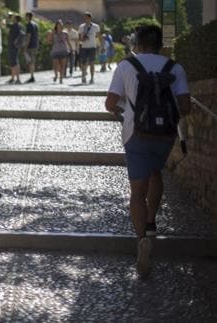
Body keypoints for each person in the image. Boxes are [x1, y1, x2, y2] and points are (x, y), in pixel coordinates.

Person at [105, 25, 191, 278]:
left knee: (136, 192)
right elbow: (185, 106)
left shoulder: (125, 66)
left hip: (135, 133)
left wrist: (128, 109)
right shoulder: (175, 68)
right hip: (165, 135)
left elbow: (110, 103)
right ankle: (152, 222)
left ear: (137, 43)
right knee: (156, 172)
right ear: (159, 44)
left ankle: (142, 238)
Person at [78, 12, 100, 84]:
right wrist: (82, 39)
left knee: (92, 63)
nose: (85, 19)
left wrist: (98, 45)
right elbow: (79, 38)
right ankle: (83, 76)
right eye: (84, 17)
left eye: (86, 17)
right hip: (84, 47)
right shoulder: (81, 27)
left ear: (90, 18)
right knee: (83, 63)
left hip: (92, 46)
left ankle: (92, 78)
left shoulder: (96, 26)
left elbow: (97, 36)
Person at [48, 19, 72, 84]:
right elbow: (49, 42)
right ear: (56, 25)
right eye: (58, 24)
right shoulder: (53, 33)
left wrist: (71, 49)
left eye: (61, 24)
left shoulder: (65, 33)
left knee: (62, 65)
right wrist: (49, 36)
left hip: (64, 50)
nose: (59, 26)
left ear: (62, 26)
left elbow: (68, 42)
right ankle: (56, 75)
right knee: (55, 66)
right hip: (55, 51)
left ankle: (61, 78)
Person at [7, 14, 23, 84]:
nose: (12, 19)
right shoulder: (19, 26)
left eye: (13, 18)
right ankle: (13, 78)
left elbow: (6, 24)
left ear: (16, 19)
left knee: (15, 62)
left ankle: (18, 79)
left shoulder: (14, 26)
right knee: (13, 62)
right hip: (15, 46)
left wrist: (8, 17)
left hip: (12, 46)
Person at [23, 12, 39, 83]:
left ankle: (32, 77)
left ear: (28, 17)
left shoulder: (29, 25)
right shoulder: (35, 24)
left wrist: (25, 47)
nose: (25, 18)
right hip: (35, 45)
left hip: (30, 46)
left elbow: (28, 36)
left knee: (30, 62)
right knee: (33, 61)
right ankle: (32, 76)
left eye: (26, 16)